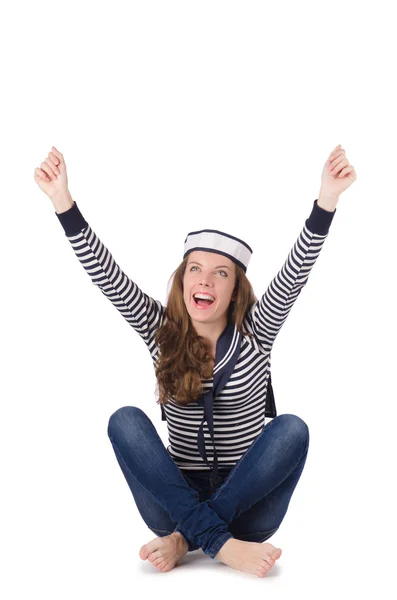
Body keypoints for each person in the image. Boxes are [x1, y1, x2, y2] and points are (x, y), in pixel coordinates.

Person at [34, 144, 356, 578]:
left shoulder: (256, 332)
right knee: (124, 420)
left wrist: (327, 199)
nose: (204, 279)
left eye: (220, 273)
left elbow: (296, 271)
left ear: (234, 290)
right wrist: (62, 202)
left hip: (249, 508)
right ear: (182, 279)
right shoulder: (161, 331)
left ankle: (190, 539)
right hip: (173, 500)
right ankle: (218, 542)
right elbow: (107, 276)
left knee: (292, 429)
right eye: (195, 269)